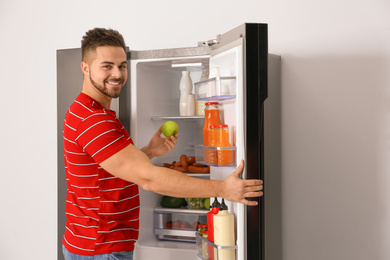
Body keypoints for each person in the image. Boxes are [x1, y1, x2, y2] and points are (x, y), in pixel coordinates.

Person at [61, 27, 263, 260]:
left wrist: (148, 152)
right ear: (85, 68)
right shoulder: (94, 120)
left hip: (90, 242)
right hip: (101, 247)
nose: (117, 74)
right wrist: (223, 189)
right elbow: (149, 178)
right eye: (107, 66)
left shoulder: (88, 111)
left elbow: (107, 170)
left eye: (122, 65)